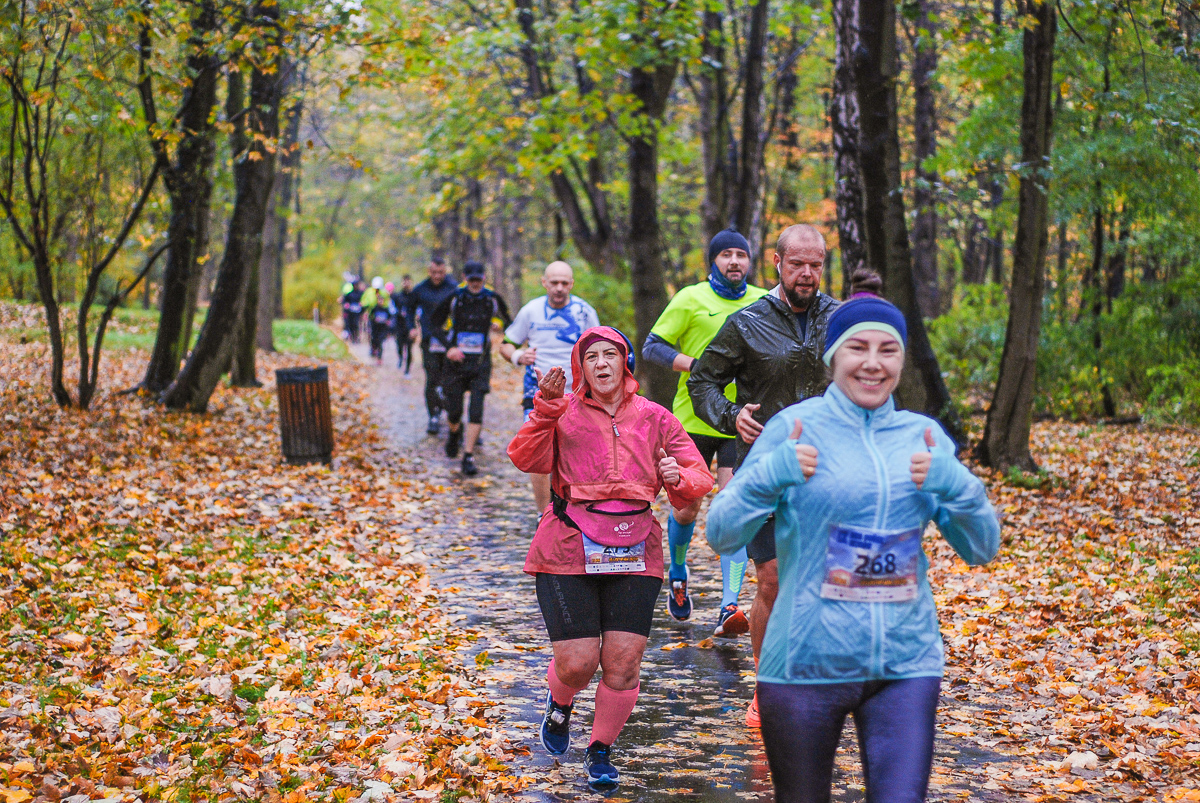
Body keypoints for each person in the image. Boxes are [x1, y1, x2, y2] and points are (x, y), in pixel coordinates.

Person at [705, 270, 1000, 803]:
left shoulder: (923, 436)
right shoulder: (794, 429)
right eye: (857, 347)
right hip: (803, 664)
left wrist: (955, 482)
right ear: (832, 357)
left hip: (904, 665)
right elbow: (723, 534)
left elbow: (982, 547)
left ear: (902, 360)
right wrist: (772, 475)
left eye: (888, 350)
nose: (872, 362)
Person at [507, 327, 712, 789]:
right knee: (578, 663)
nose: (601, 364)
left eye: (610, 355)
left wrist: (676, 475)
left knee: (623, 663)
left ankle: (600, 751)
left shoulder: (656, 417)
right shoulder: (563, 411)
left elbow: (698, 478)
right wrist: (546, 408)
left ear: (626, 363)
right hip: (567, 545)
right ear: (581, 367)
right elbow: (524, 457)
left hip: (636, 547)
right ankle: (559, 704)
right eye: (591, 357)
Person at [688, 223, 840, 727]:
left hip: (830, 472)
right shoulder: (747, 321)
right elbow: (703, 379)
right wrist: (732, 418)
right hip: (767, 471)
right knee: (772, 581)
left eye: (815, 264)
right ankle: (766, 687)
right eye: (797, 263)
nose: (807, 273)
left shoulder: (840, 319)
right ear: (777, 262)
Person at [642, 228, 768, 637]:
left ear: (750, 261)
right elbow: (652, 346)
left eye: (741, 255)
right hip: (691, 420)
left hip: (741, 419)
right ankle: (677, 572)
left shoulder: (763, 301)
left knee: (731, 510)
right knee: (686, 509)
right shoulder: (691, 298)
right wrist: (699, 367)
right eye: (726, 255)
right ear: (713, 260)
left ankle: (728, 605)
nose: (735, 261)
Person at [499, 261, 600, 514]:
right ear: (544, 282)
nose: (559, 288)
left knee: (576, 450)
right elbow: (506, 344)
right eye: (554, 282)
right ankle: (544, 514)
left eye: (564, 283)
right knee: (538, 451)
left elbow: (599, 347)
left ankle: (575, 509)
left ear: (572, 284)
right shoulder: (531, 311)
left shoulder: (584, 311)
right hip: (537, 391)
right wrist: (517, 356)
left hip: (576, 392)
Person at [428, 261, 512, 476]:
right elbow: (433, 324)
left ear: (484, 278)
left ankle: (467, 455)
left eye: (479, 279)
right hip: (455, 364)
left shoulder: (492, 299)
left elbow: (511, 325)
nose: (475, 283)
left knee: (476, 409)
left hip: (480, 364)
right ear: (465, 277)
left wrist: (502, 329)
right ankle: (455, 433)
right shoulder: (456, 297)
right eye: (471, 279)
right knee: (454, 411)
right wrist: (449, 348)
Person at [407, 257, 456, 435]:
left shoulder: (453, 287)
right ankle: (433, 416)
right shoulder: (420, 289)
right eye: (434, 272)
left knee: (449, 379)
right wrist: (412, 327)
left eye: (441, 273)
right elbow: (409, 309)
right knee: (432, 377)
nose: (437, 276)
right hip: (429, 340)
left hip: (449, 341)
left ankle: (453, 415)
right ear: (429, 271)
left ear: (445, 271)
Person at [365, 277, 394, 364]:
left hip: (382, 327)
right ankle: (373, 349)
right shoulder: (369, 293)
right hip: (375, 326)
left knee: (381, 342)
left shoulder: (385, 295)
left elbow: (390, 314)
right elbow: (369, 313)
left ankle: (379, 357)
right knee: (374, 340)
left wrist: (388, 322)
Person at [393, 275, 415, 375]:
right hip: (400, 325)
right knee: (400, 346)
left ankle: (407, 370)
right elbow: (393, 308)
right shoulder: (398, 296)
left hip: (410, 327)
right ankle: (401, 358)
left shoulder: (414, 296)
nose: (406, 283)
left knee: (409, 348)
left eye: (408, 281)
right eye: (404, 281)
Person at [341, 278, 365, 344]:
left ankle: (356, 337)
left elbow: (364, 302)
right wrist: (346, 305)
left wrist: (362, 305)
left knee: (356, 325)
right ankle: (352, 337)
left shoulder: (361, 293)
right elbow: (344, 301)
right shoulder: (349, 294)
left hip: (358, 313)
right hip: (350, 313)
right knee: (351, 325)